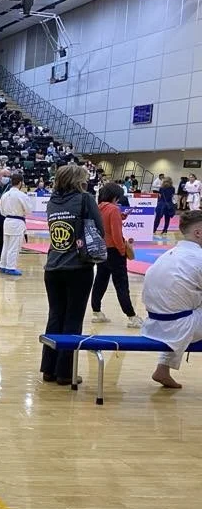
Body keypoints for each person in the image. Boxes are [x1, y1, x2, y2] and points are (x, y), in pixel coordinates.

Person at [39, 164, 104, 386]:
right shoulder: (85, 199)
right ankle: (65, 373)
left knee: (55, 316)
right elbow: (98, 230)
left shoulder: (52, 202)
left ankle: (48, 369)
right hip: (78, 266)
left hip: (53, 266)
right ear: (79, 180)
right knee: (73, 320)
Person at [141, 210, 202, 389]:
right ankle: (163, 368)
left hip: (154, 325)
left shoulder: (169, 254)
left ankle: (163, 369)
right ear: (198, 232)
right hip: (178, 326)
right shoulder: (197, 258)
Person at [90, 182, 143, 328]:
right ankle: (132, 316)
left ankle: (97, 312)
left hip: (101, 249)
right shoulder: (113, 209)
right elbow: (116, 234)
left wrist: (121, 216)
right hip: (114, 251)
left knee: (100, 281)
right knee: (121, 284)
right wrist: (122, 251)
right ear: (114, 196)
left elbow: (105, 225)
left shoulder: (98, 207)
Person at [0, 171, 34, 276]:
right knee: (14, 246)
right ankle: (10, 267)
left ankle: (3, 265)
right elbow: (28, 210)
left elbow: (2, 211)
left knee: (6, 245)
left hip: (7, 221)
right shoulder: (21, 195)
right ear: (20, 183)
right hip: (17, 222)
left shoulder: (5, 195)